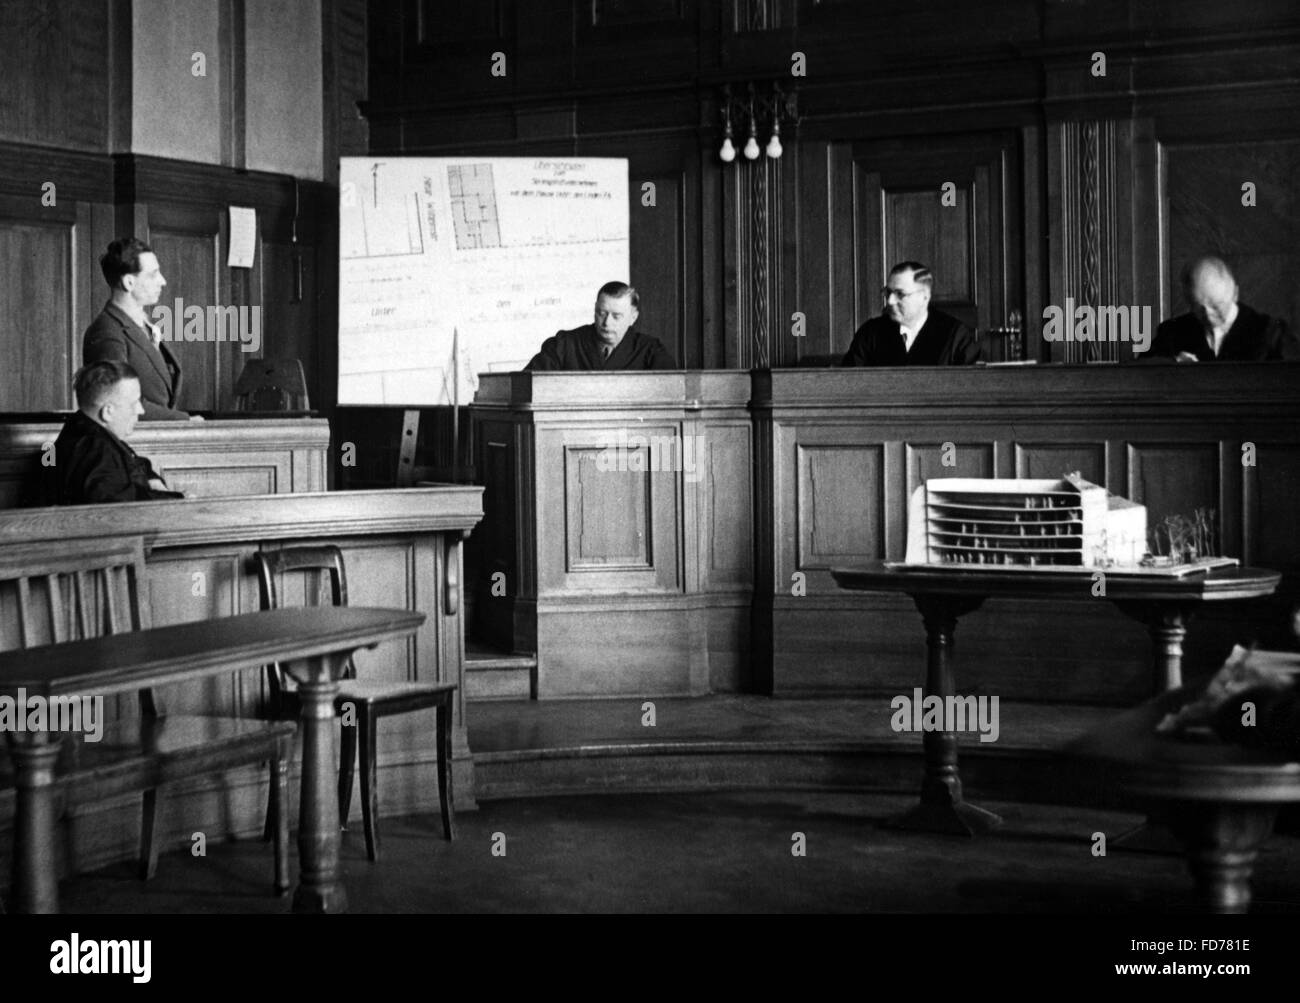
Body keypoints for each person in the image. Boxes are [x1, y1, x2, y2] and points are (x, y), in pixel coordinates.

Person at [83, 237, 194, 419]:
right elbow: (120, 401)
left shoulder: (143, 326)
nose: (163, 281)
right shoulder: (106, 332)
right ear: (129, 282)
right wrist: (184, 421)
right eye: (153, 274)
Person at [50, 360, 186, 504]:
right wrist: (177, 499)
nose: (141, 410)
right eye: (134, 403)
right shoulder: (97, 449)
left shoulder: (82, 430)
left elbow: (133, 462)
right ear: (108, 412)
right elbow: (119, 507)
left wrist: (151, 478)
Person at [1147, 256, 1299, 362]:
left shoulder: (1270, 332)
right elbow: (1140, 374)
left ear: (1235, 294)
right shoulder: (1172, 332)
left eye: (1216, 305)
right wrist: (1173, 363)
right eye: (1198, 307)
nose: (1208, 314)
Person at [841, 261, 981, 366]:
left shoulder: (955, 335)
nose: (890, 301)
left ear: (924, 296)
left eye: (900, 294)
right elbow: (848, 383)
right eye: (888, 292)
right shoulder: (870, 333)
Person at [525, 282, 677, 370]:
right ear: (595, 309)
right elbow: (527, 383)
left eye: (616, 316)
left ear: (633, 317)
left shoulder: (649, 350)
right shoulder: (564, 344)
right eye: (601, 313)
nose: (607, 323)